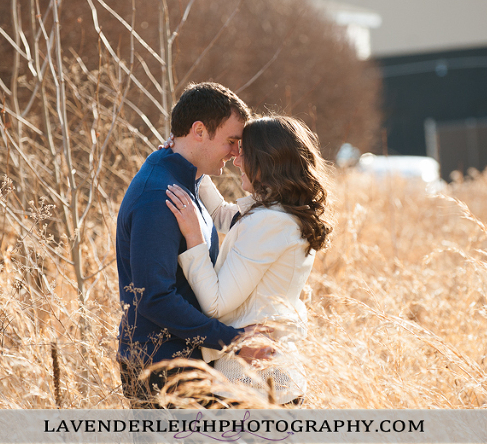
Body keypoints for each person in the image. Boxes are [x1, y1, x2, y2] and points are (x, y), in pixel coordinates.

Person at [117, 82, 269, 408]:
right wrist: (232, 342)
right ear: (199, 131)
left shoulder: (188, 181)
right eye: (231, 141)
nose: (235, 152)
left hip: (186, 362)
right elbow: (154, 298)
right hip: (159, 367)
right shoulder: (158, 196)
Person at [165, 115, 334, 405]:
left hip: (250, 386)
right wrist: (194, 166)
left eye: (244, 152)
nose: (235, 160)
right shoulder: (281, 214)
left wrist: (194, 237)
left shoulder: (269, 223)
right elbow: (224, 215)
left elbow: (216, 302)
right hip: (273, 382)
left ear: (266, 162)